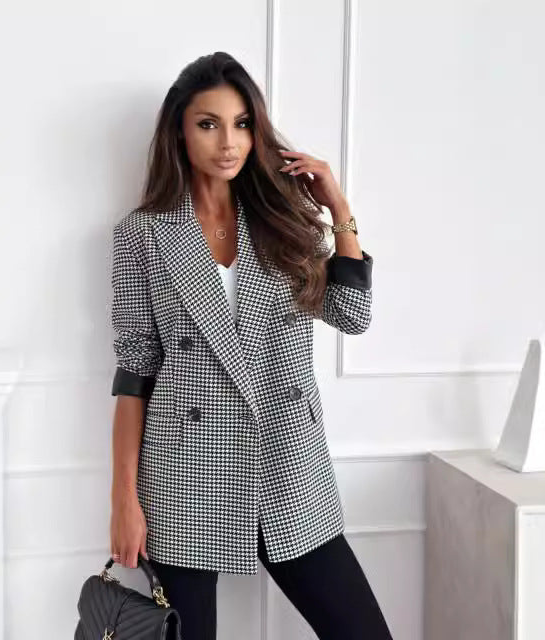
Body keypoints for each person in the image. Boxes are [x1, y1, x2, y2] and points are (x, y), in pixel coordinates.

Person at [109, 51, 393, 640]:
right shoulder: (142, 234)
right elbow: (135, 367)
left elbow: (353, 315)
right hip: (185, 472)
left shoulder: (280, 218)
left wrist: (338, 208)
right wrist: (124, 499)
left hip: (287, 462)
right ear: (179, 131)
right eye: (208, 124)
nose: (228, 142)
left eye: (241, 124)